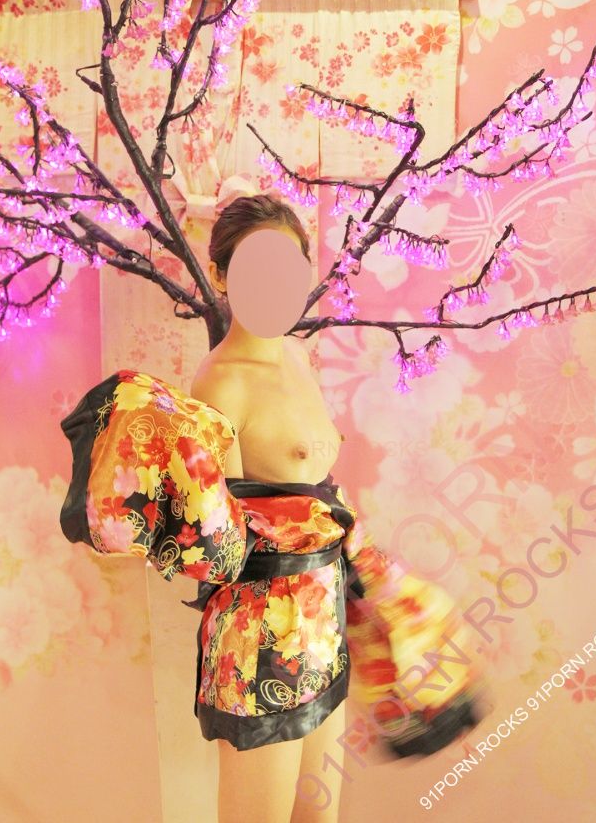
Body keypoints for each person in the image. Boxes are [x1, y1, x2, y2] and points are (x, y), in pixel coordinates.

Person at [190, 194, 484, 823]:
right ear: (221, 275)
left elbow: (310, 481)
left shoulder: (297, 357)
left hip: (323, 615)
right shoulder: (220, 382)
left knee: (318, 815)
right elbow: (222, 538)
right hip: (261, 631)